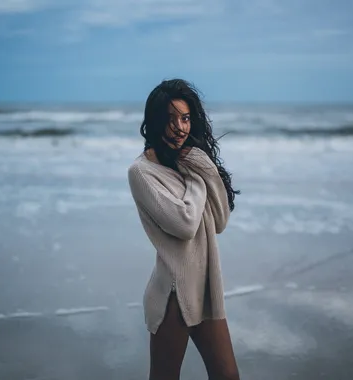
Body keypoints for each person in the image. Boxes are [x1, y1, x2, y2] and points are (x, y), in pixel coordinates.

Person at [127, 78, 241, 380]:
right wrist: (195, 179)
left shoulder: (189, 161)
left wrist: (201, 165)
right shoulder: (142, 171)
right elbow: (185, 223)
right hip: (172, 298)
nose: (180, 127)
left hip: (206, 291)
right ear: (154, 122)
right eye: (170, 119)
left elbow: (219, 220)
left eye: (186, 118)